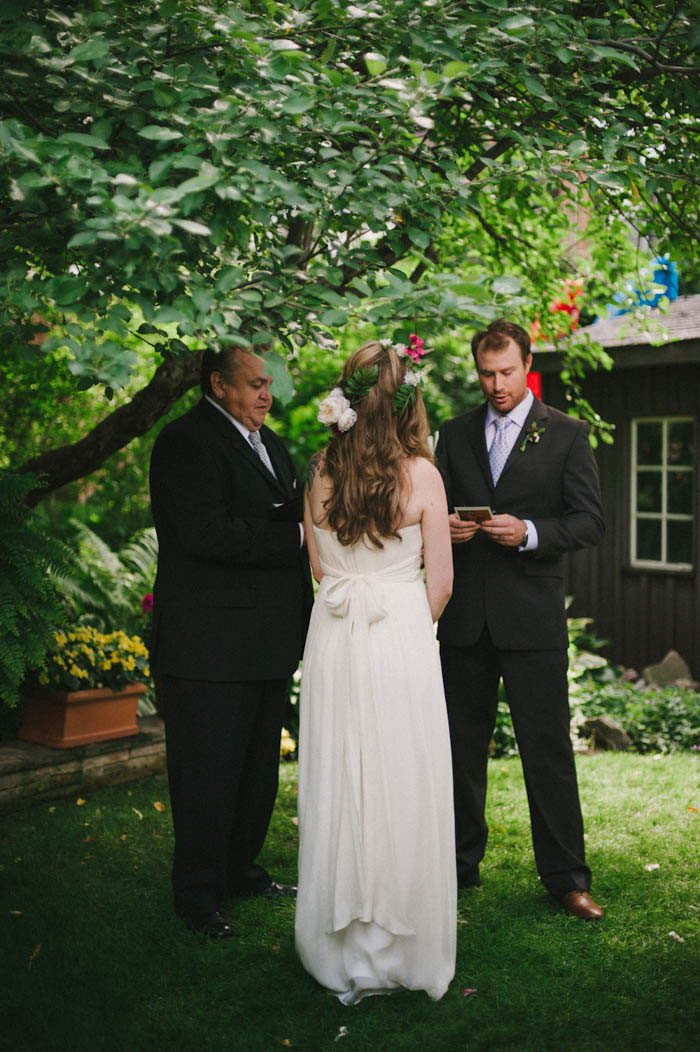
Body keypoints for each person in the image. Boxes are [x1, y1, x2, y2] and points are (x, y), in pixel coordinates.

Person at [295, 337, 457, 1004]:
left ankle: (339, 944)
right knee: (399, 781)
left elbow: (315, 570)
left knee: (342, 777)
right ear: (403, 402)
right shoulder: (424, 476)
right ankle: (402, 945)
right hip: (399, 639)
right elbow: (441, 583)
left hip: (335, 637)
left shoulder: (316, 473)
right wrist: (412, 631)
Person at [436, 319, 606, 920]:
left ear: (526, 363)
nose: (496, 384)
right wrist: (447, 528)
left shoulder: (567, 434)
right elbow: (434, 512)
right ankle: (457, 867)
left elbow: (590, 522)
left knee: (547, 749)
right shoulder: (453, 434)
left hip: (532, 620)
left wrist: (531, 531)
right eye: (486, 373)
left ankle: (566, 877)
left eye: (506, 372)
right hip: (464, 621)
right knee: (459, 749)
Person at [149, 347, 312, 938]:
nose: (266, 395)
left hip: (266, 641)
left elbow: (291, 510)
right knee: (205, 773)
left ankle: (240, 870)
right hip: (208, 645)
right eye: (255, 384)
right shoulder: (184, 442)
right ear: (218, 385)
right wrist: (294, 535)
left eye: (268, 384)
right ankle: (196, 895)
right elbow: (202, 533)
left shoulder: (270, 443)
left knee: (255, 771)